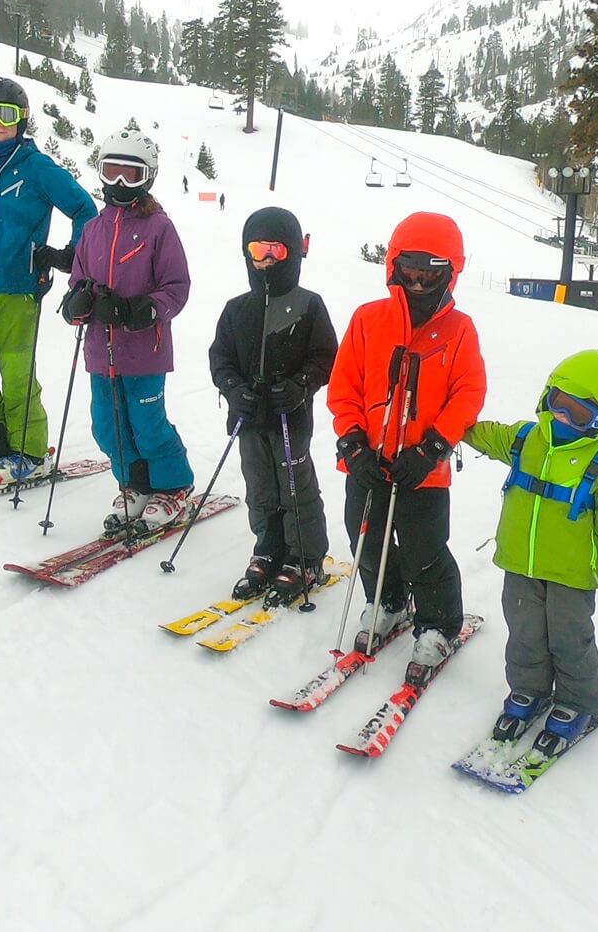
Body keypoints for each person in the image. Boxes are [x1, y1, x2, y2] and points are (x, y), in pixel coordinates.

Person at [462, 349, 598, 758]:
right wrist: (449, 420)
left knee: (569, 640)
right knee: (525, 633)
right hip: (520, 565)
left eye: (578, 415)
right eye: (559, 405)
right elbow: (483, 433)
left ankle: (578, 701)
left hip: (570, 574)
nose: (563, 419)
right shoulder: (526, 438)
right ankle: (528, 690)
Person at [327, 212, 487, 680]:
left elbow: (468, 392)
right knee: (367, 538)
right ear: (394, 267)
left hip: (423, 469)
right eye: (410, 270)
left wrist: (434, 447)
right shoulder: (368, 319)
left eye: (431, 274)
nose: (418, 283)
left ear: (449, 273)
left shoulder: (459, 330)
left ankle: (438, 623)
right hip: (368, 462)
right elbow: (344, 387)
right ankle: (388, 601)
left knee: (425, 548)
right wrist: (353, 443)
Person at [0, 77, 97, 491]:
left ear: (22, 120)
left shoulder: (36, 167)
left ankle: (29, 452)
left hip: (19, 288)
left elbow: (85, 208)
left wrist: (69, 255)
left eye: (6, 115)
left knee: (16, 374)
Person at [60, 130, 195, 532]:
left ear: (148, 177)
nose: (120, 183)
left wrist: (147, 309)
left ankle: (172, 486)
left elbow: (176, 287)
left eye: (131, 175)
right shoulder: (93, 229)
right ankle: (134, 484)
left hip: (144, 352)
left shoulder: (158, 228)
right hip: (100, 353)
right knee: (107, 425)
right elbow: (77, 281)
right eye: (112, 172)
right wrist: (76, 306)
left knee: (148, 424)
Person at [209, 208, 338, 606]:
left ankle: (304, 557)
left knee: (295, 486)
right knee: (260, 487)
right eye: (257, 250)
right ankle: (268, 548)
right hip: (249, 420)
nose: (265, 261)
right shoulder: (237, 309)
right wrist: (233, 389)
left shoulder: (309, 305)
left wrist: (301, 385)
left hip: (290, 418)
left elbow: (326, 356)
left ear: (294, 254)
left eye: (275, 251)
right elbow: (221, 358)